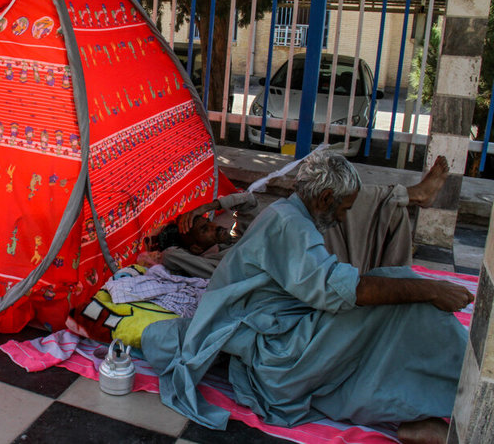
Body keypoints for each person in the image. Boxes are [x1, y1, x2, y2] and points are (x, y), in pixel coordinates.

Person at [141, 151, 472, 444]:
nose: (344, 217)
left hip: (284, 334)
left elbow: (326, 282)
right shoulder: (289, 225)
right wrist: (433, 289)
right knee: (405, 304)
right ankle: (470, 398)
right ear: (325, 198)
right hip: (278, 358)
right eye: (343, 208)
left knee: (394, 290)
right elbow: (345, 291)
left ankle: (428, 408)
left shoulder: (290, 213)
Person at [157, 154, 450, 277]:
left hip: (304, 237)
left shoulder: (237, 235)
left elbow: (247, 200)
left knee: (346, 202)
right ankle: (410, 196)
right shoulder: (213, 265)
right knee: (341, 203)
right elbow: (169, 257)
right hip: (298, 261)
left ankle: (403, 201)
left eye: (208, 222)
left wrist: (207, 207)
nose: (212, 226)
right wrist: (164, 247)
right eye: (204, 230)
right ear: (195, 247)